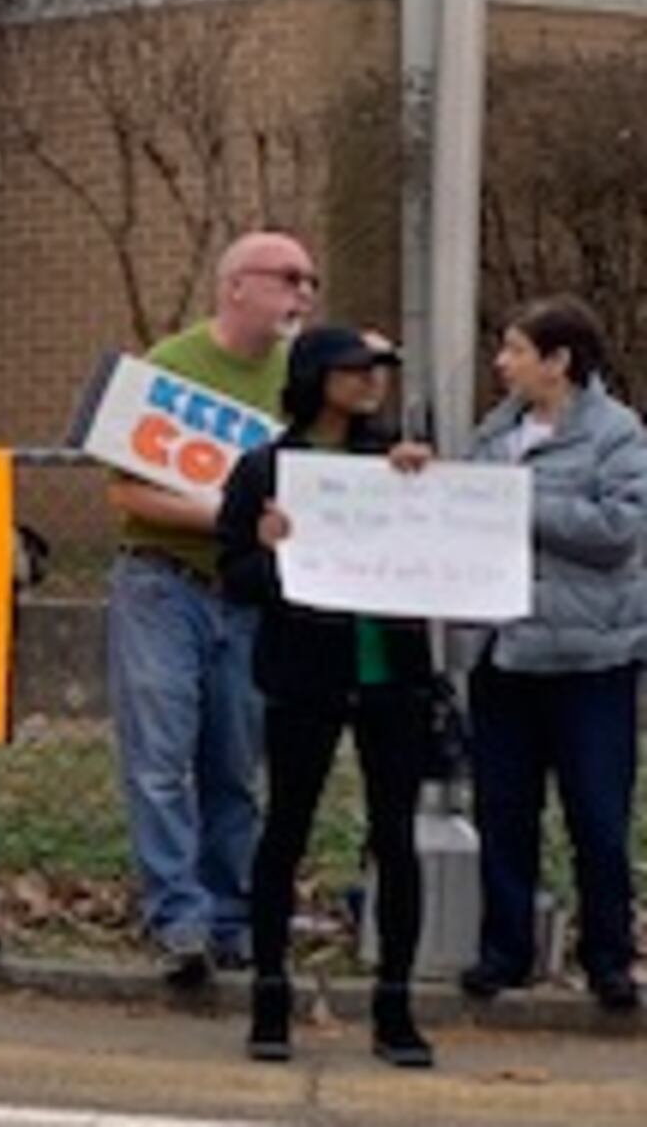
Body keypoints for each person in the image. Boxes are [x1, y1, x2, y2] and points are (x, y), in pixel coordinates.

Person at [216, 325, 438, 1069]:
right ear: (317, 377)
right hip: (306, 670)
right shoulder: (266, 468)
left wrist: (424, 483)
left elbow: (439, 542)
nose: (372, 382)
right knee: (287, 828)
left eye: (379, 369)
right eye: (355, 370)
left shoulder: (396, 462)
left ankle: (396, 1005)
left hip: (391, 674)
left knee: (396, 836)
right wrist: (271, 550)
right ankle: (270, 999)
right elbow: (234, 573)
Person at [108, 230, 310, 988]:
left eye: (310, 281)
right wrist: (232, 518)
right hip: (162, 585)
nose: (303, 293)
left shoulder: (301, 381)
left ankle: (232, 918)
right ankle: (177, 919)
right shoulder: (171, 370)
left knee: (234, 764)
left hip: (249, 598)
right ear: (237, 287)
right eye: (289, 277)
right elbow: (126, 494)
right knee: (160, 760)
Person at [456, 295, 647, 1012]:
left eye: (515, 349)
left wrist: (517, 500)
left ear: (558, 361)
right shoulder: (495, 431)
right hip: (504, 653)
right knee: (505, 809)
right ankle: (504, 953)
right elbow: (463, 508)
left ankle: (608, 958)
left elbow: (619, 530)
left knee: (596, 814)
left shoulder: (616, 434)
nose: (502, 363)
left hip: (590, 659)